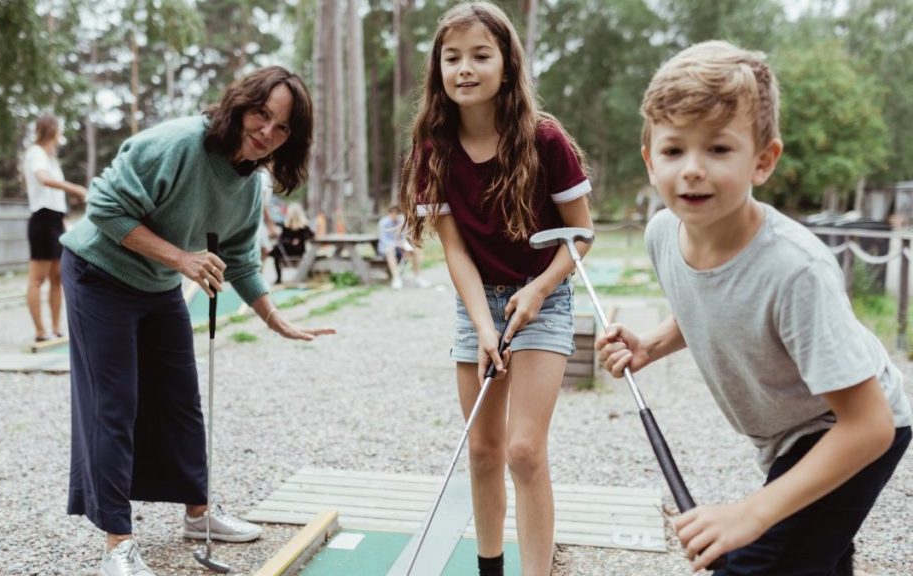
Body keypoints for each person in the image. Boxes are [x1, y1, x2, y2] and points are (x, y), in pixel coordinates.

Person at [595, 41, 911, 575]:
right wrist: (651, 344)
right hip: (790, 433)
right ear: (651, 161)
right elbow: (716, 302)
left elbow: (870, 426)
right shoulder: (663, 235)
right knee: (813, 555)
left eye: (719, 149)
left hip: (845, 429)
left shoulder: (795, 269)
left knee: (745, 564)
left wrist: (752, 514)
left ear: (763, 160)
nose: (692, 170)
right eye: (674, 151)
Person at [59, 66, 335, 576]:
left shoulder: (251, 184)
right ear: (240, 104)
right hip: (99, 274)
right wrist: (181, 259)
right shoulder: (176, 144)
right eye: (262, 114)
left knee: (182, 401)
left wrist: (274, 318)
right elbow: (103, 209)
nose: (267, 133)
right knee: (114, 404)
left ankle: (199, 514)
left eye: (282, 128)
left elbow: (241, 257)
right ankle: (117, 544)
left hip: (157, 285)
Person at [397, 3, 593, 575]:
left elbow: (580, 236)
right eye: (451, 57)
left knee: (524, 451)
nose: (465, 68)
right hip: (476, 297)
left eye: (481, 55)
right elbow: (453, 247)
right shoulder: (432, 147)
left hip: (544, 296)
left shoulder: (544, 138)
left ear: (507, 65)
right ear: (437, 69)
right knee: (482, 451)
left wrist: (536, 291)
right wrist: (482, 323)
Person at [23, 115, 88, 342]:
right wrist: (76, 189)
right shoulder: (36, 153)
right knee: (37, 279)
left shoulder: (52, 159)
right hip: (42, 219)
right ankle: (41, 332)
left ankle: (56, 328)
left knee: (57, 277)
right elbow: (42, 179)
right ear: (52, 131)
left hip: (57, 219)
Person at [377, 205, 428, 290]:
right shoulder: (384, 222)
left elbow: (405, 237)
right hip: (386, 248)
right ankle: (396, 278)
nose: (394, 216)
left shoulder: (401, 222)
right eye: (392, 213)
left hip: (399, 247)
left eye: (397, 214)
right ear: (389, 213)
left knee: (415, 250)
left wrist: (403, 243)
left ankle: (418, 277)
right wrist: (397, 244)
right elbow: (384, 240)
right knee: (390, 250)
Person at [271, 202, 313, 284]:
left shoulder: (289, 225)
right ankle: (279, 278)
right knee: (279, 248)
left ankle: (279, 278)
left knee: (277, 250)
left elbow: (282, 239)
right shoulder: (303, 226)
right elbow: (311, 236)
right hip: (292, 251)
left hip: (291, 251)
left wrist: (297, 240)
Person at [255, 167, 278, 270]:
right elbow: (262, 204)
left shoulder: (264, 173)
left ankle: (258, 274)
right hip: (255, 220)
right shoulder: (262, 174)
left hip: (258, 220)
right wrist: (271, 225)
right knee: (262, 249)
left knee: (263, 250)